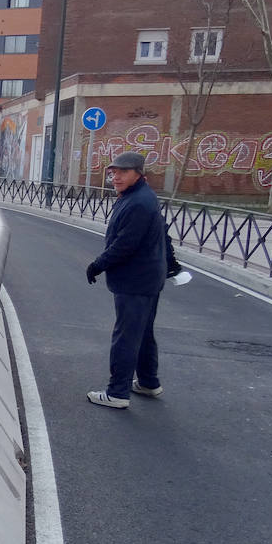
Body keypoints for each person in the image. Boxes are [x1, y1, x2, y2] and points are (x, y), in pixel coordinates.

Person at [84, 151, 181, 408]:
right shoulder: (140, 196)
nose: (116, 177)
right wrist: (171, 264)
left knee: (126, 335)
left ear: (139, 173)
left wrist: (97, 265)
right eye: (113, 172)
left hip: (136, 280)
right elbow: (162, 234)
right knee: (144, 332)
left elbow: (124, 244)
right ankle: (149, 382)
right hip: (148, 277)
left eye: (123, 172)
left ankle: (117, 392)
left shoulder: (138, 202)